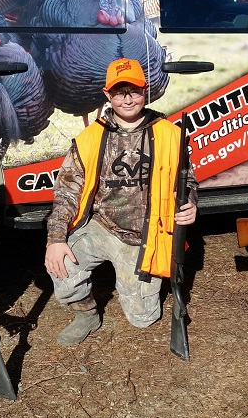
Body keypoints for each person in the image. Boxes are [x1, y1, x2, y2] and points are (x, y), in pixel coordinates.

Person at [44, 57, 198, 346]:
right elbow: (66, 192)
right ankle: (87, 313)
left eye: (134, 91)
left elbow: (187, 180)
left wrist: (190, 202)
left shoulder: (170, 134)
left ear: (146, 90)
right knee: (61, 261)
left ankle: (133, 284)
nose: (127, 99)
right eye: (119, 91)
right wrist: (56, 239)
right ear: (107, 95)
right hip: (101, 227)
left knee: (143, 319)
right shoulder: (90, 138)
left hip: (145, 236)